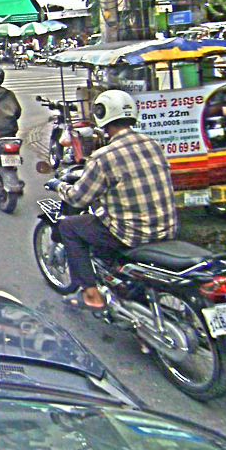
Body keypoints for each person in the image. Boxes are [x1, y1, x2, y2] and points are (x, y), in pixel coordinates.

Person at [55, 90, 177, 310]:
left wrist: (59, 186)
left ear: (101, 115)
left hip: (133, 234)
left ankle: (91, 295)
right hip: (166, 227)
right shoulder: (153, 144)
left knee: (69, 227)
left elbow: (78, 198)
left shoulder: (103, 157)